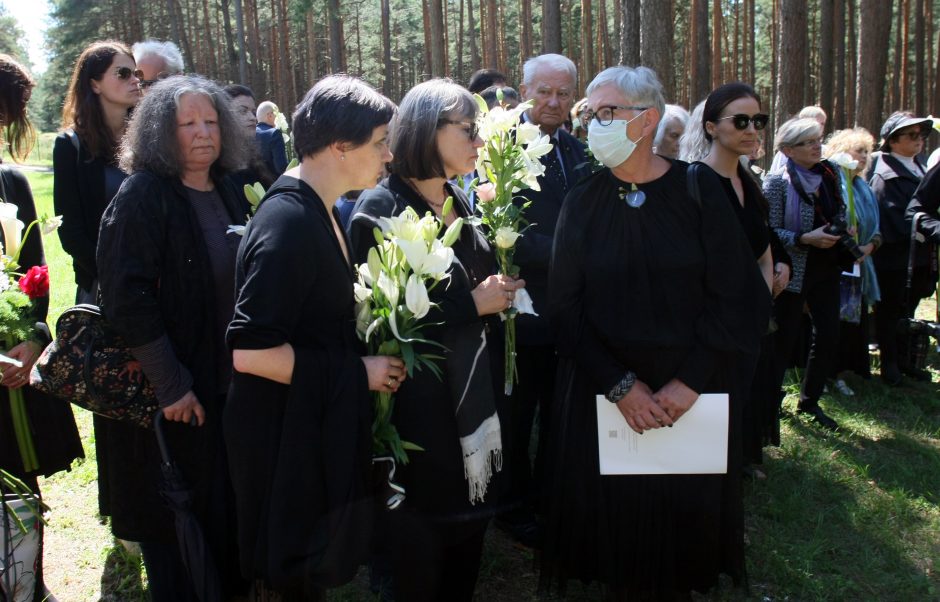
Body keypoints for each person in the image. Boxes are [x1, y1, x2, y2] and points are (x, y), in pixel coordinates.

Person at [543, 64, 767, 599]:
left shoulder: (699, 191)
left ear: (646, 119)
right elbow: (564, 308)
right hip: (605, 393)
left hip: (690, 392)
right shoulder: (582, 199)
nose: (593, 123)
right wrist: (620, 386)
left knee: (680, 533)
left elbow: (737, 299)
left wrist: (688, 383)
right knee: (614, 532)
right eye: (590, 113)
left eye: (605, 112)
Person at [225, 75, 402, 600]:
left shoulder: (321, 208)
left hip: (305, 423)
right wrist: (357, 373)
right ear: (341, 145)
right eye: (381, 141)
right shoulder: (289, 223)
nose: (388, 156)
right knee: (291, 578)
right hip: (281, 440)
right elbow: (250, 352)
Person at [347, 78, 520, 601]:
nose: (478, 142)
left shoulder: (457, 198)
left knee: (465, 538)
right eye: (468, 130)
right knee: (419, 552)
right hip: (419, 410)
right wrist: (474, 303)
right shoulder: (381, 208)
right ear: (427, 129)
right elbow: (381, 320)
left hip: (466, 401)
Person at [96, 75, 251, 601]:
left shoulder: (229, 187)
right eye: (188, 123)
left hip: (229, 389)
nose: (203, 133)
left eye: (211, 121)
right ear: (162, 131)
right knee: (180, 532)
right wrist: (170, 384)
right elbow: (125, 298)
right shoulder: (143, 195)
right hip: (178, 401)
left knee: (225, 524)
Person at [0, 53, 84, 602]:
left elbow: (35, 274)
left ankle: (29, 581)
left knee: (19, 483)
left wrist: (33, 339)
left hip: (12, 372)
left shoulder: (11, 183)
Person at [502, 53, 590, 547]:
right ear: (524, 88)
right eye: (543, 92)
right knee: (518, 417)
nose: (553, 103)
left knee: (561, 413)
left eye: (562, 93)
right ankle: (512, 507)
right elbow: (502, 234)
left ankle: (552, 498)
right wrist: (574, 253)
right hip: (522, 312)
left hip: (572, 313)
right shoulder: (499, 148)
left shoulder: (578, 152)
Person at [697, 82, 786, 476]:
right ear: (712, 127)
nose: (752, 129)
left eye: (759, 120)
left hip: (750, 317)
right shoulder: (695, 181)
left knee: (743, 396)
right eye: (742, 120)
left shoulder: (748, 182)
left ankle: (736, 467)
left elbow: (762, 250)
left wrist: (761, 295)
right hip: (711, 321)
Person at [764, 117, 851, 431]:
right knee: (783, 340)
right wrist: (803, 239)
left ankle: (810, 400)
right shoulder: (776, 183)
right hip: (793, 270)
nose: (817, 146)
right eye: (808, 142)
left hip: (826, 266)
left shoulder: (830, 173)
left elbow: (838, 209)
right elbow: (770, 233)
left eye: (818, 139)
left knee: (829, 333)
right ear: (788, 150)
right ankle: (769, 404)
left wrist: (842, 227)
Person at [54, 40, 141, 305]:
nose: (135, 80)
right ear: (94, 84)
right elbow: (70, 231)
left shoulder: (148, 140)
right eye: (122, 73)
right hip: (103, 287)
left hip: (158, 282)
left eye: (136, 73)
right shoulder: (71, 146)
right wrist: (114, 275)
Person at [868, 111, 935, 384]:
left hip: (918, 256)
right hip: (894, 257)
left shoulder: (920, 167)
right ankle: (890, 365)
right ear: (893, 141)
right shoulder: (885, 173)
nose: (919, 140)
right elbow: (889, 216)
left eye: (922, 135)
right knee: (890, 312)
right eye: (911, 135)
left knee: (909, 311)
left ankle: (906, 361)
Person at [823, 128, 882, 387]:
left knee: (852, 321)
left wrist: (870, 246)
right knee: (832, 322)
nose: (864, 157)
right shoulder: (833, 183)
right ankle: (824, 374)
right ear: (841, 151)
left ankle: (844, 371)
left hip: (861, 264)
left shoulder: (863, 187)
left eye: (867, 152)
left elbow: (877, 228)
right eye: (859, 151)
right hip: (837, 265)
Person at [223, 84, 275, 189]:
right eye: (243, 111)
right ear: (224, 115)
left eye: (253, 112)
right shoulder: (217, 168)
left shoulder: (257, 162)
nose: (252, 117)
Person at [255, 100, 289, 176]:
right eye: (277, 114)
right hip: (272, 184)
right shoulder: (274, 134)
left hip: (252, 185)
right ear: (270, 115)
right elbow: (281, 168)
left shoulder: (249, 134)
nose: (278, 116)